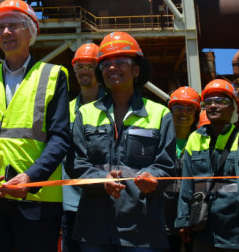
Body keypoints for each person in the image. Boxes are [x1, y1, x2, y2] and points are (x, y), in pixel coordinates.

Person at [0, 0, 70, 252]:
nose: (6, 32)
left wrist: (31, 178)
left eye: (14, 25)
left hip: (35, 203)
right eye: (0, 27)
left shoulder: (53, 76)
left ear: (31, 31)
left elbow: (60, 137)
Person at [66, 31, 176, 252]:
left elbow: (167, 166)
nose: (112, 68)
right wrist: (101, 180)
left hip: (141, 228)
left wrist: (153, 177)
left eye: (121, 61)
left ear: (137, 70)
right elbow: (75, 163)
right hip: (94, 227)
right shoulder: (85, 114)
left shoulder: (159, 114)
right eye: (106, 64)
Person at [176, 79, 239, 251]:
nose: (213, 105)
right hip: (203, 227)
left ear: (234, 107)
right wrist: (183, 219)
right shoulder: (195, 138)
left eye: (221, 101)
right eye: (208, 102)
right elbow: (187, 184)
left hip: (237, 226)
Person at [63, 42, 103, 252]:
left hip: (104, 199)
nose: (84, 71)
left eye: (90, 66)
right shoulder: (67, 110)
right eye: (80, 66)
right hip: (70, 202)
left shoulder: (112, 107)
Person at [165, 86, 201, 252]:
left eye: (190, 109)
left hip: (193, 218)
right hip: (164, 216)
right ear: (170, 111)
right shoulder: (161, 140)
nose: (183, 113)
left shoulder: (202, 142)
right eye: (178, 108)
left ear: (196, 113)